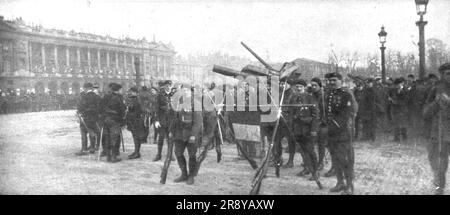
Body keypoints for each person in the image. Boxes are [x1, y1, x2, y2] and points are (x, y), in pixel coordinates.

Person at [324, 72, 355, 195]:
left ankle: (349, 186)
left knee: (345, 160)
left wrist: (334, 126)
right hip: (332, 132)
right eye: (330, 80)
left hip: (342, 132)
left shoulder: (346, 94)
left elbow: (346, 114)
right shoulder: (330, 94)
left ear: (340, 81)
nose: (331, 82)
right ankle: (340, 182)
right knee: (335, 159)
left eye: (334, 80)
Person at [423, 63, 450, 195]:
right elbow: (425, 113)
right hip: (441, 131)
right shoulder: (436, 89)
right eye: (448, 74)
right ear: (442, 75)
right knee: (439, 161)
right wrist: (436, 103)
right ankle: (440, 187)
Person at [289, 78, 320, 182]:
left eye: (300, 87)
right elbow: (291, 114)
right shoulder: (293, 98)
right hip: (298, 129)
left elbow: (316, 115)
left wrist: (313, 129)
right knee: (303, 151)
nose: (298, 88)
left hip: (308, 129)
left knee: (310, 151)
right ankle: (307, 168)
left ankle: (315, 172)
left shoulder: (310, 98)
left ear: (305, 88)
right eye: (297, 86)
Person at [172, 87, 203, 185]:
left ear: (191, 91)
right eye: (183, 90)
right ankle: (184, 174)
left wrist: (193, 135)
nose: (184, 92)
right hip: (180, 134)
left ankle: (191, 176)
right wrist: (171, 131)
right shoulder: (179, 102)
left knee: (192, 155)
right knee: (178, 153)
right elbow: (175, 118)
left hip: (191, 134)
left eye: (187, 90)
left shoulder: (196, 103)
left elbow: (198, 122)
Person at [100, 83, 126, 163]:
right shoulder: (119, 98)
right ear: (118, 90)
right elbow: (122, 110)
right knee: (114, 139)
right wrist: (123, 121)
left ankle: (108, 156)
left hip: (106, 120)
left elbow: (101, 107)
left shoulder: (106, 96)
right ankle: (114, 157)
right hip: (115, 120)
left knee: (107, 138)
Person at [75, 83, 101, 156]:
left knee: (83, 133)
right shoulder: (96, 96)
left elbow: (80, 106)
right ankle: (92, 148)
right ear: (91, 88)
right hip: (93, 118)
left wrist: (79, 112)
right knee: (91, 132)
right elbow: (99, 107)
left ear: (85, 88)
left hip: (85, 117)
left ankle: (84, 149)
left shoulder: (84, 96)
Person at [153, 80, 176, 162]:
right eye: (167, 86)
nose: (168, 87)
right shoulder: (159, 95)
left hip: (171, 120)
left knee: (171, 137)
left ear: (172, 86)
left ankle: (170, 154)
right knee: (161, 137)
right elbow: (156, 108)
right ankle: (158, 154)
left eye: (170, 86)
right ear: (164, 86)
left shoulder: (175, 95)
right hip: (162, 119)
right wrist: (156, 120)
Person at [310, 77, 328, 171]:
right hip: (313, 123)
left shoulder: (323, 96)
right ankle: (312, 162)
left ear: (319, 86)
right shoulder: (311, 95)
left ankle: (320, 163)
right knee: (311, 144)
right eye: (312, 85)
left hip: (322, 124)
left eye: (315, 85)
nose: (313, 87)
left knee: (321, 144)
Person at [125, 86, 147, 159]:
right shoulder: (134, 99)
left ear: (136, 93)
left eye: (132, 92)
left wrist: (129, 112)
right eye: (130, 91)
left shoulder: (138, 100)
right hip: (134, 120)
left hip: (136, 121)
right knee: (135, 137)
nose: (130, 93)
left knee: (136, 137)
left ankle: (137, 152)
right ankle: (136, 151)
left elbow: (139, 110)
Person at [389, 78, 409, 142]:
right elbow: (390, 97)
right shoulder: (393, 90)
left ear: (402, 83)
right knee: (396, 124)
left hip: (403, 109)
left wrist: (395, 102)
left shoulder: (406, 91)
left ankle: (404, 138)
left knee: (403, 124)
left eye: (398, 84)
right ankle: (396, 138)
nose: (397, 86)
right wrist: (391, 100)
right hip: (395, 109)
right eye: (396, 85)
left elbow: (406, 100)